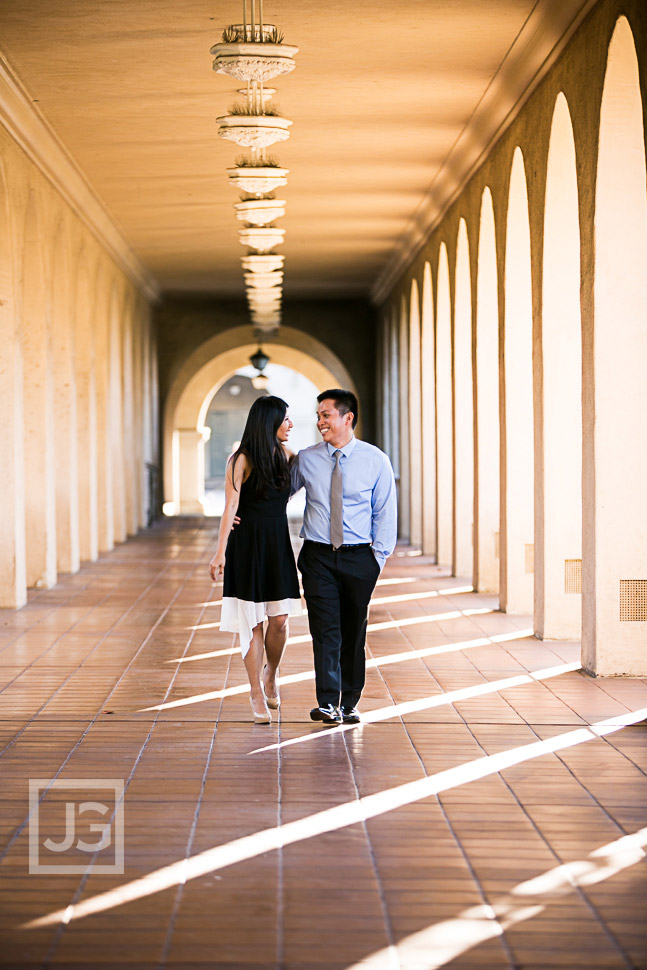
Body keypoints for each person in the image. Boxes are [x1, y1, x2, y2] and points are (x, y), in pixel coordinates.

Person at [292, 389, 397, 726]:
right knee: (324, 630)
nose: (320, 421)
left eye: (326, 415)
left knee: (354, 631)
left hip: (359, 558)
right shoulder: (307, 459)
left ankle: (349, 701)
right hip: (318, 556)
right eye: (319, 415)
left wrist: (375, 561)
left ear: (347, 417)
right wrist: (240, 510)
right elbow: (277, 492)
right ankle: (328, 702)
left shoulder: (375, 460)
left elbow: (385, 514)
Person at [209, 396, 302, 723]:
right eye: (286, 419)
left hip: (277, 543)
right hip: (247, 544)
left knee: (280, 620)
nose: (291, 425)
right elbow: (230, 506)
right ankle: (253, 691)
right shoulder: (240, 459)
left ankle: (270, 673)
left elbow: (299, 486)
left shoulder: (287, 456)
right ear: (270, 421)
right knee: (252, 621)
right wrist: (220, 551)